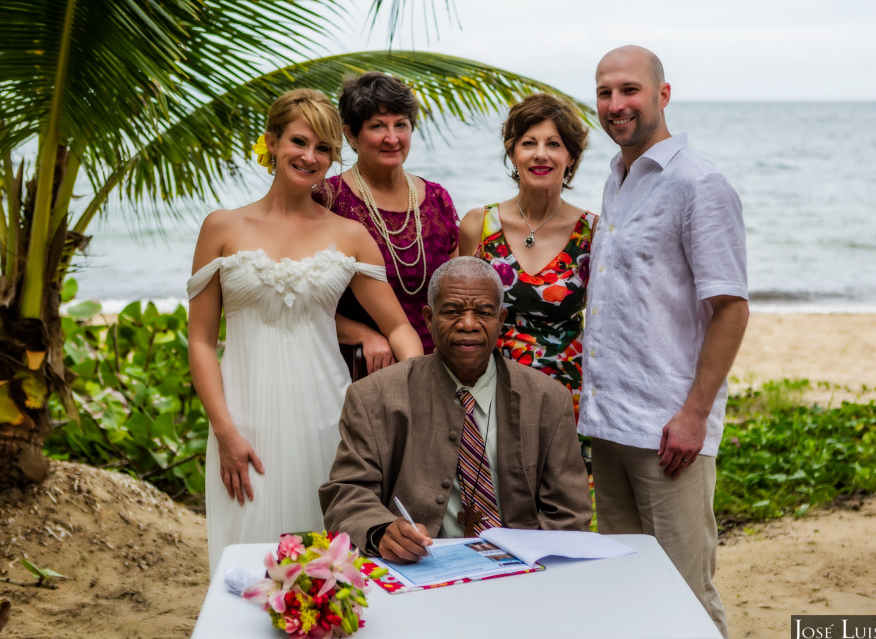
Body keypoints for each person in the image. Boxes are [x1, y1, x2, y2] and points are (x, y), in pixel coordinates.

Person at [187, 89, 423, 572]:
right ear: (271, 142)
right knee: (248, 559)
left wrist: (419, 394)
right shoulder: (221, 227)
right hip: (245, 418)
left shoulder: (351, 235)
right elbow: (201, 341)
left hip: (328, 417)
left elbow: (397, 324)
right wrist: (225, 430)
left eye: (324, 148)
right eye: (299, 141)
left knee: (329, 557)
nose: (310, 157)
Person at [579, 46, 749, 639]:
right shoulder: (617, 178)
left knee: (686, 594)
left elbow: (730, 308)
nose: (616, 104)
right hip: (610, 424)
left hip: (668, 432)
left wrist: (695, 414)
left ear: (663, 95)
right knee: (628, 586)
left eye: (630, 90)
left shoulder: (699, 184)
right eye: (605, 92)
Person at [319, 257, 591, 563]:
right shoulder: (373, 396)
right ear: (428, 317)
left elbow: (570, 512)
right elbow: (347, 492)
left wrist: (530, 564)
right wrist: (381, 531)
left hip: (521, 573)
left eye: (483, 312)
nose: (468, 324)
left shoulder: (547, 399)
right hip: (419, 568)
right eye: (452, 311)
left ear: (501, 319)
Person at [458, 93, 596, 430]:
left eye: (554, 144)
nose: (540, 154)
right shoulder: (479, 223)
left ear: (570, 157)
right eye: (528, 143)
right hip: (487, 389)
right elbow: (457, 310)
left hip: (567, 395)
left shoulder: (592, 232)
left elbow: (607, 324)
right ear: (512, 152)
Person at [315, 71, 459, 377]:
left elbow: (454, 291)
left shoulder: (438, 198)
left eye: (401, 125)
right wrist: (361, 335)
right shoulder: (327, 199)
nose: (392, 138)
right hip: (354, 365)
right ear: (351, 135)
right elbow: (302, 299)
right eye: (377, 126)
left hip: (438, 363)